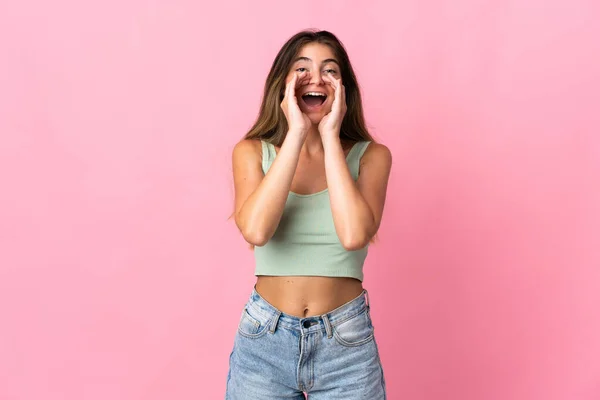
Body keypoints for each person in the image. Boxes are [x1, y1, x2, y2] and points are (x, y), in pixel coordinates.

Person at [226, 29, 392, 399]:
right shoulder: (252, 152)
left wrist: (330, 137)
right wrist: (297, 133)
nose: (316, 78)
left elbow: (353, 235)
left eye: (330, 71)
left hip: (346, 342)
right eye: (302, 69)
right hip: (265, 338)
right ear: (282, 85)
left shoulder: (372, 156)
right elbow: (256, 230)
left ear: (344, 89)